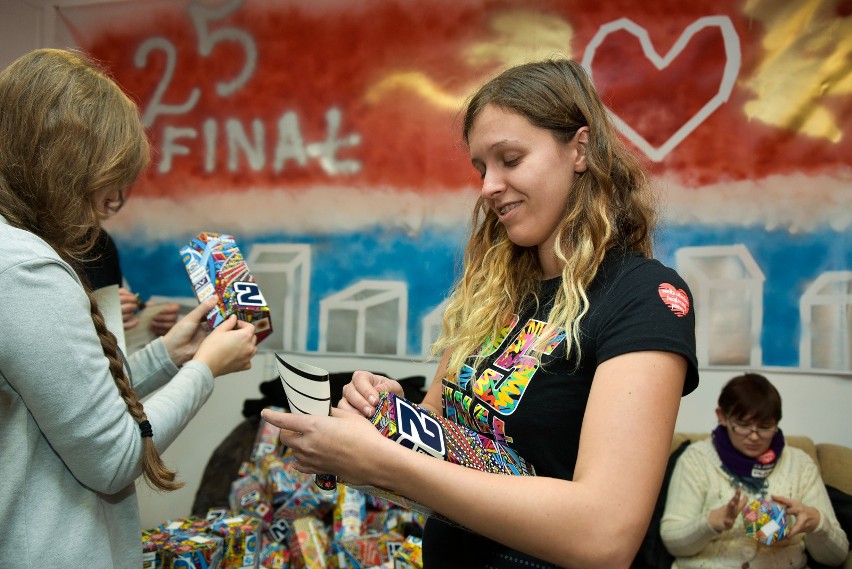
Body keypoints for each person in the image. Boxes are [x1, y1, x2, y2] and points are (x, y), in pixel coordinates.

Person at [261, 57, 699, 568]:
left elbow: (604, 537)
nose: (488, 186)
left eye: (509, 159)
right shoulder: (491, 293)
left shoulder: (643, 296)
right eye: (481, 167)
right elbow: (442, 454)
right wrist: (390, 420)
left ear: (579, 149)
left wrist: (387, 463)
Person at [0, 48, 258, 568]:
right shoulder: (23, 270)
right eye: (106, 182)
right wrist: (207, 369)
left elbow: (75, 405)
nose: (108, 205)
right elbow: (116, 456)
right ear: (63, 165)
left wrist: (167, 354)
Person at [659, 373, 848, 568]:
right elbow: (673, 544)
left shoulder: (799, 464)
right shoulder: (697, 459)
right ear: (722, 416)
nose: (754, 436)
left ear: (777, 423)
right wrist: (710, 523)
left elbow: (837, 557)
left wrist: (818, 525)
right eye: (743, 425)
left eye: (765, 427)